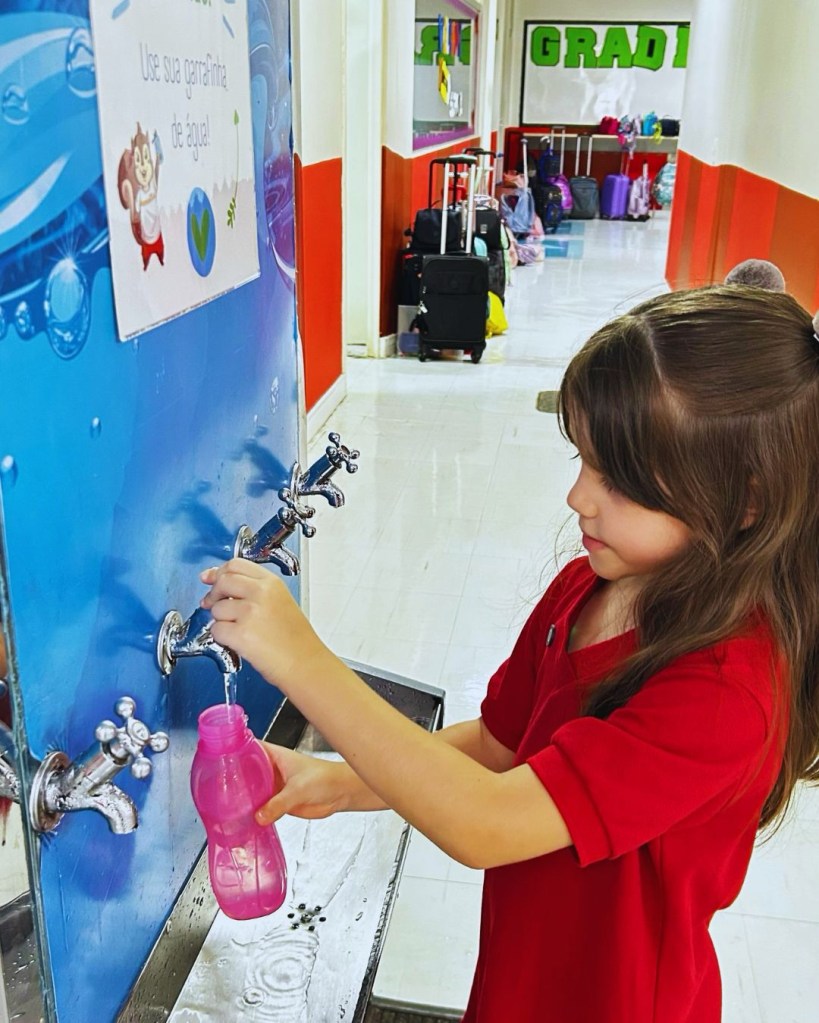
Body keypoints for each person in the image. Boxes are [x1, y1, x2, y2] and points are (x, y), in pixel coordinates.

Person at [199, 285, 819, 1023]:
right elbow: (500, 746)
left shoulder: (725, 692)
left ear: (746, 501)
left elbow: (485, 822)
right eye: (584, 458)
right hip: (521, 976)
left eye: (619, 481)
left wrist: (303, 660)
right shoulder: (586, 588)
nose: (578, 497)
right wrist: (337, 782)